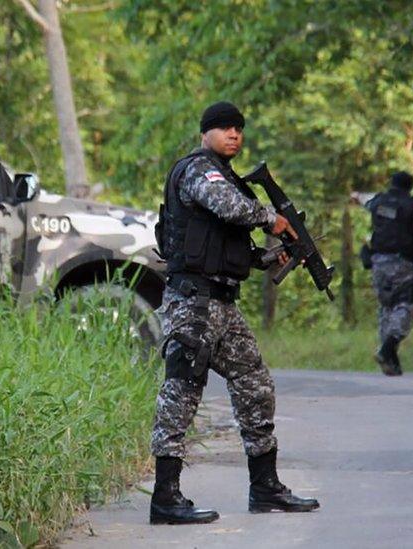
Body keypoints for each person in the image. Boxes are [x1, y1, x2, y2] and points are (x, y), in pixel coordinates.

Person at [149, 101, 320, 525]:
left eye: (239, 128)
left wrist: (271, 258)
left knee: (255, 384)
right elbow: (227, 207)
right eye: (225, 127)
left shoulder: (231, 180)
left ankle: (265, 488)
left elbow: (233, 249)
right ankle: (164, 497)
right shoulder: (198, 171)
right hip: (192, 303)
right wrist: (273, 219)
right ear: (206, 132)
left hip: (222, 304)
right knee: (182, 393)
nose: (234, 134)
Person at [355, 171, 413, 376]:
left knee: (386, 305)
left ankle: (390, 360)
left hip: (377, 262)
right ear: (409, 187)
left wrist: (354, 195)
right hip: (403, 263)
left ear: (392, 184)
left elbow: (361, 198)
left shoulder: (379, 201)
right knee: (404, 304)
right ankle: (388, 347)